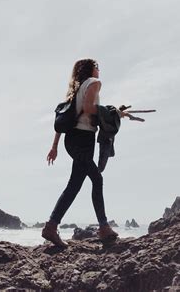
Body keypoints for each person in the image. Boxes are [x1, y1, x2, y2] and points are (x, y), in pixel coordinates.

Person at [41, 58, 126, 247]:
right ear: (91, 69)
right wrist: (113, 114)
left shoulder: (76, 88)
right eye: (98, 67)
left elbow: (64, 119)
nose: (99, 71)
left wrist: (55, 146)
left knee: (75, 184)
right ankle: (103, 228)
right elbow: (89, 108)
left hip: (71, 140)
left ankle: (51, 226)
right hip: (83, 139)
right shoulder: (95, 83)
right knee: (96, 179)